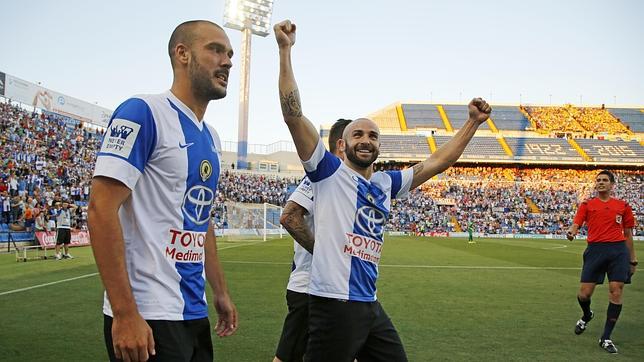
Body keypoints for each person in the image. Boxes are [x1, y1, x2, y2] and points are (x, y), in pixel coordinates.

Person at [274, 19, 492, 361]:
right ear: (343, 145)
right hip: (333, 301)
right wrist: (285, 51)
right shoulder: (327, 173)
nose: (366, 140)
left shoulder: (385, 183)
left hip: (368, 302)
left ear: (380, 146)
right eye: (358, 135)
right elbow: (293, 115)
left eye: (373, 136)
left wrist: (472, 123)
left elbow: (436, 162)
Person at [88, 20, 237, 362]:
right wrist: (126, 314)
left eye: (229, 54)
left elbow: (202, 220)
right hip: (147, 313)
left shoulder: (211, 137)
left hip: (192, 310)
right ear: (182, 54)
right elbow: (100, 209)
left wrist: (221, 292)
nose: (227, 61)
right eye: (215, 49)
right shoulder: (143, 112)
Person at [274, 118, 351, 362]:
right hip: (308, 288)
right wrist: (325, 256)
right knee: (287, 357)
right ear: (341, 145)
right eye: (355, 138)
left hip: (330, 288)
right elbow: (289, 217)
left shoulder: (344, 181)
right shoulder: (320, 177)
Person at [567, 170, 637, 354]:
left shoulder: (623, 205)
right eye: (598, 180)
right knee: (584, 295)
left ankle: (606, 338)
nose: (600, 182)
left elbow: (628, 234)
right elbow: (577, 223)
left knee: (616, 290)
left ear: (612, 184)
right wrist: (572, 231)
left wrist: (633, 260)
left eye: (605, 180)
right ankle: (587, 315)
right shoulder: (587, 204)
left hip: (618, 251)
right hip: (596, 251)